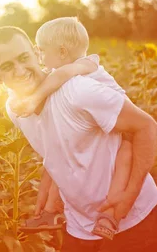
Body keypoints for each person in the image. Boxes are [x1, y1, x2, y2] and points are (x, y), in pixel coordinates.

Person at [0, 24, 157, 251]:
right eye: (8, 66)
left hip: (133, 221)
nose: (20, 71)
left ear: (36, 52)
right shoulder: (14, 108)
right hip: (79, 225)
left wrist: (127, 200)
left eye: (23, 58)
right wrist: (47, 189)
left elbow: (147, 127)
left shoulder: (77, 91)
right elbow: (58, 143)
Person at [8, 17, 133, 240]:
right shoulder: (71, 69)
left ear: (63, 52)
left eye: (42, 51)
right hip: (103, 126)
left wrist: (35, 98)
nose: (40, 57)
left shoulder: (84, 66)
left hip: (122, 129)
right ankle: (49, 212)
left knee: (124, 161)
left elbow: (59, 76)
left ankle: (110, 215)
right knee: (62, 167)